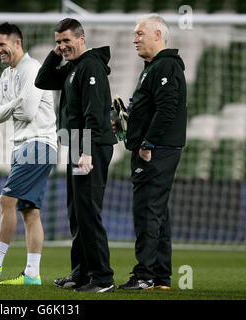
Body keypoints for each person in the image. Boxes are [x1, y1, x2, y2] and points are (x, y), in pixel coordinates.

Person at [0, 22, 57, 285]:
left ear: (17, 43)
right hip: (22, 146)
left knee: (7, 201)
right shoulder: (7, 75)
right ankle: (31, 274)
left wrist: (11, 105)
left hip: (37, 143)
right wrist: (17, 102)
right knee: (31, 212)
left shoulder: (32, 69)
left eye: (1, 44)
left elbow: (27, 113)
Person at [35, 18, 117, 293]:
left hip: (88, 147)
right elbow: (43, 80)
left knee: (88, 213)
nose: (62, 46)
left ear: (82, 38)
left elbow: (94, 113)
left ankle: (103, 279)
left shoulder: (91, 67)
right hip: (77, 144)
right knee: (77, 213)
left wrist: (86, 151)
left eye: (67, 41)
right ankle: (82, 274)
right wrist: (55, 54)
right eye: (58, 42)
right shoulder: (73, 67)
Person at [117, 13, 187, 290]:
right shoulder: (153, 66)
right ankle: (160, 277)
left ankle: (143, 276)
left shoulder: (165, 66)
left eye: (139, 34)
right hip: (156, 148)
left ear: (158, 35)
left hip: (157, 151)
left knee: (147, 211)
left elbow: (168, 108)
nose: (134, 39)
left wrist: (148, 144)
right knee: (157, 213)